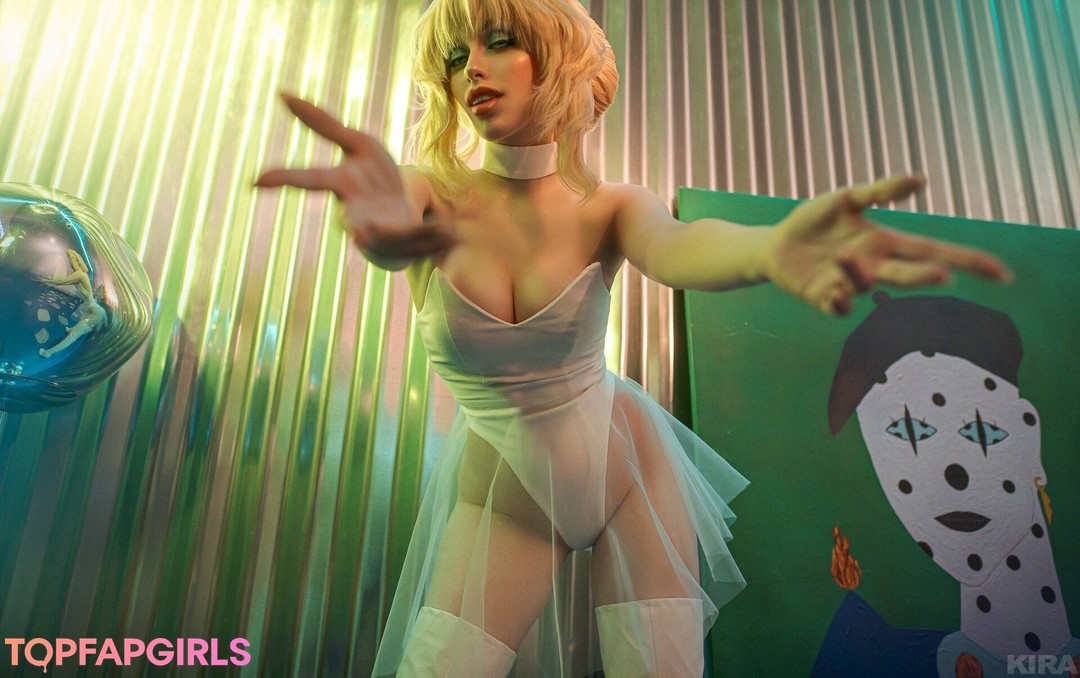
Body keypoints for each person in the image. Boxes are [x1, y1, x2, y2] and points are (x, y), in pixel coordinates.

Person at [255, 1, 1009, 674]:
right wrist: (380, 228)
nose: (473, 67)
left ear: (558, 60)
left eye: (499, 42)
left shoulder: (609, 206)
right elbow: (392, 219)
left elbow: (678, 246)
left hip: (628, 469)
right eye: (456, 55)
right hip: (509, 494)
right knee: (442, 665)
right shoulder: (429, 192)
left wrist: (767, 248)